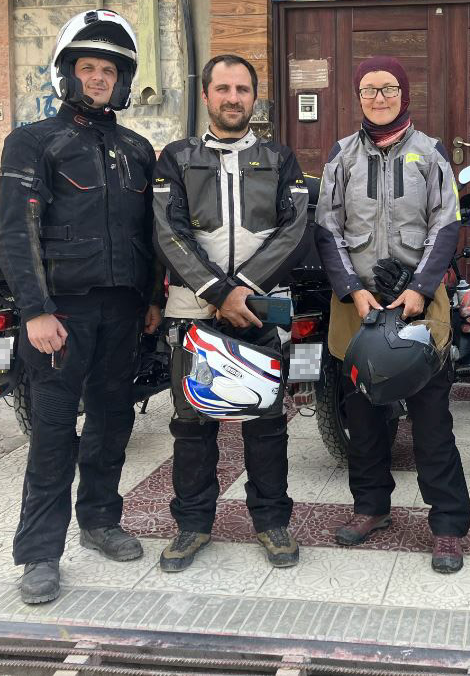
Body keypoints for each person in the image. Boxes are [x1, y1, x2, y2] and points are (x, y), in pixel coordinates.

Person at [0, 9, 163, 605]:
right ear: (67, 72)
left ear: (122, 81)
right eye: (88, 67)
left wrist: (151, 300)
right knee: (52, 432)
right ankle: (40, 553)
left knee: (113, 421)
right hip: (60, 314)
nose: (98, 78)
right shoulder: (33, 141)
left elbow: (151, 234)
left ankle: (99, 520)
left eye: (109, 70)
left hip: (123, 312)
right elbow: (17, 231)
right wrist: (35, 311)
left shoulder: (138, 149)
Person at [315, 55, 470, 574]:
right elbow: (327, 227)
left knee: (432, 421)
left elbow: (446, 223)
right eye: (368, 89)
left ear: (404, 95)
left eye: (387, 89)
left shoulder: (431, 153)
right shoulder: (341, 155)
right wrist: (352, 291)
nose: (378, 98)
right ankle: (370, 507)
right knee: (363, 419)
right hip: (357, 307)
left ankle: (447, 524)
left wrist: (421, 289)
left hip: (418, 305)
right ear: (358, 97)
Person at [152, 54, 308, 572]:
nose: (233, 98)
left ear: (254, 97)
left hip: (261, 310)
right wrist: (220, 293)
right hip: (193, 309)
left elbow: (293, 229)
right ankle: (192, 525)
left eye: (242, 89)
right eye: (223, 88)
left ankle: (272, 522)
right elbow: (167, 231)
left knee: (267, 424)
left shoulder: (280, 158)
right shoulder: (175, 158)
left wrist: (243, 291)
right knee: (192, 426)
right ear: (206, 96)